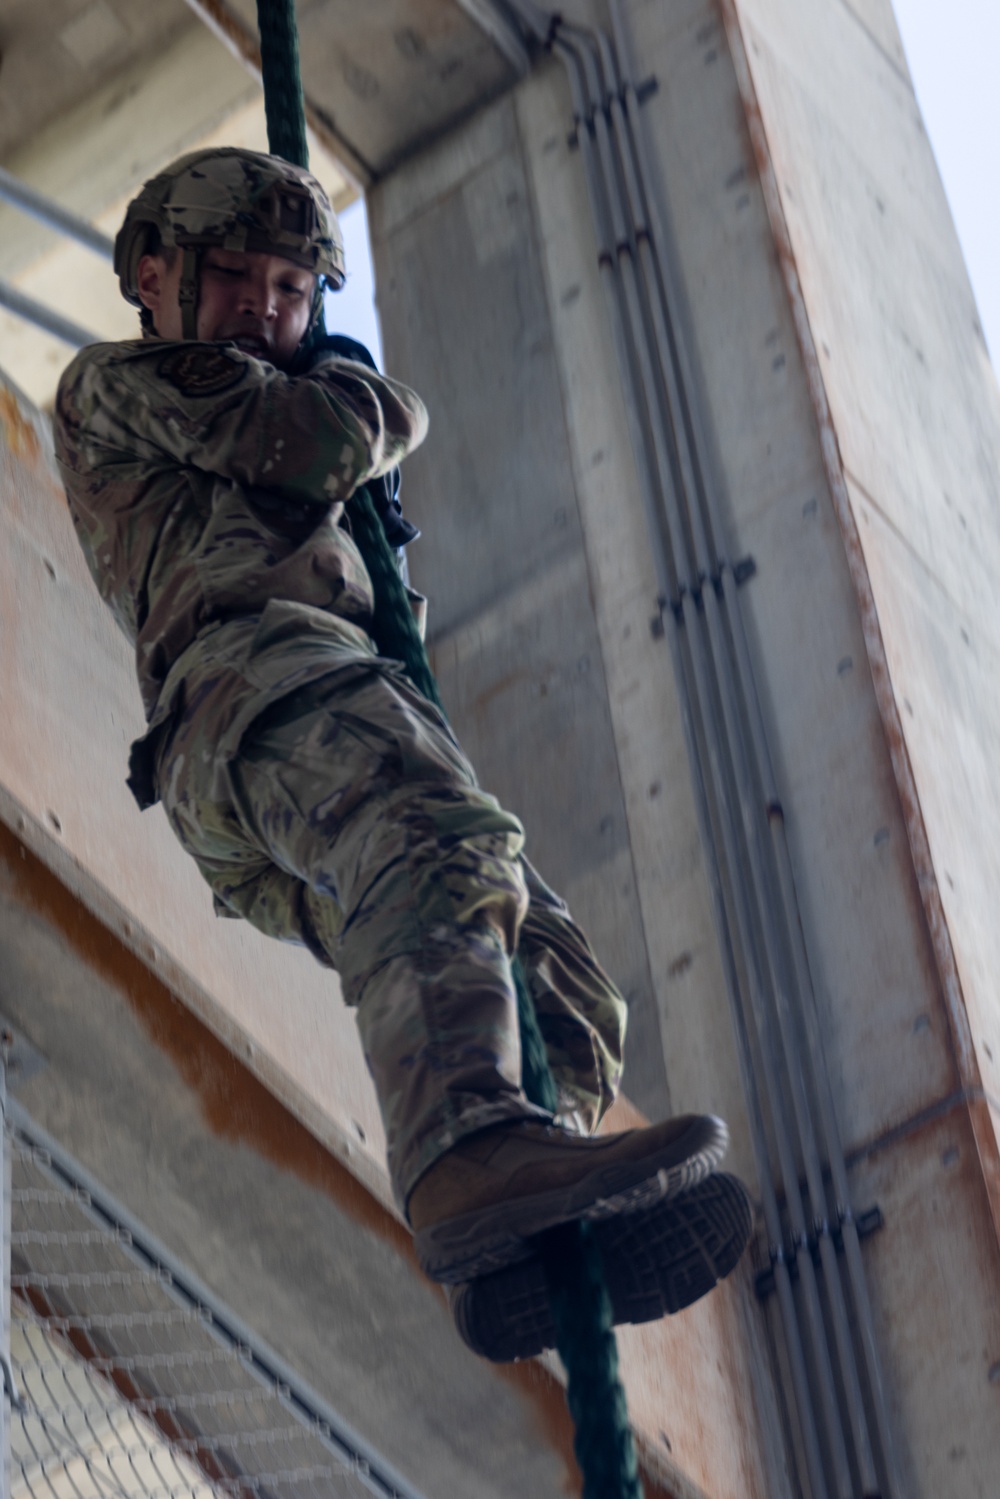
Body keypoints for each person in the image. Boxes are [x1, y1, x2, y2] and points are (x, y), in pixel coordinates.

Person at [54, 148, 749, 1360]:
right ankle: (466, 1152)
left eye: (289, 287)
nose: (266, 308)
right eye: (235, 278)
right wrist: (382, 406)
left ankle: (522, 1196)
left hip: (317, 711)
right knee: (433, 843)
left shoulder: (269, 389)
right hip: (252, 698)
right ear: (154, 275)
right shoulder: (125, 382)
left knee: (562, 982)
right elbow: (310, 440)